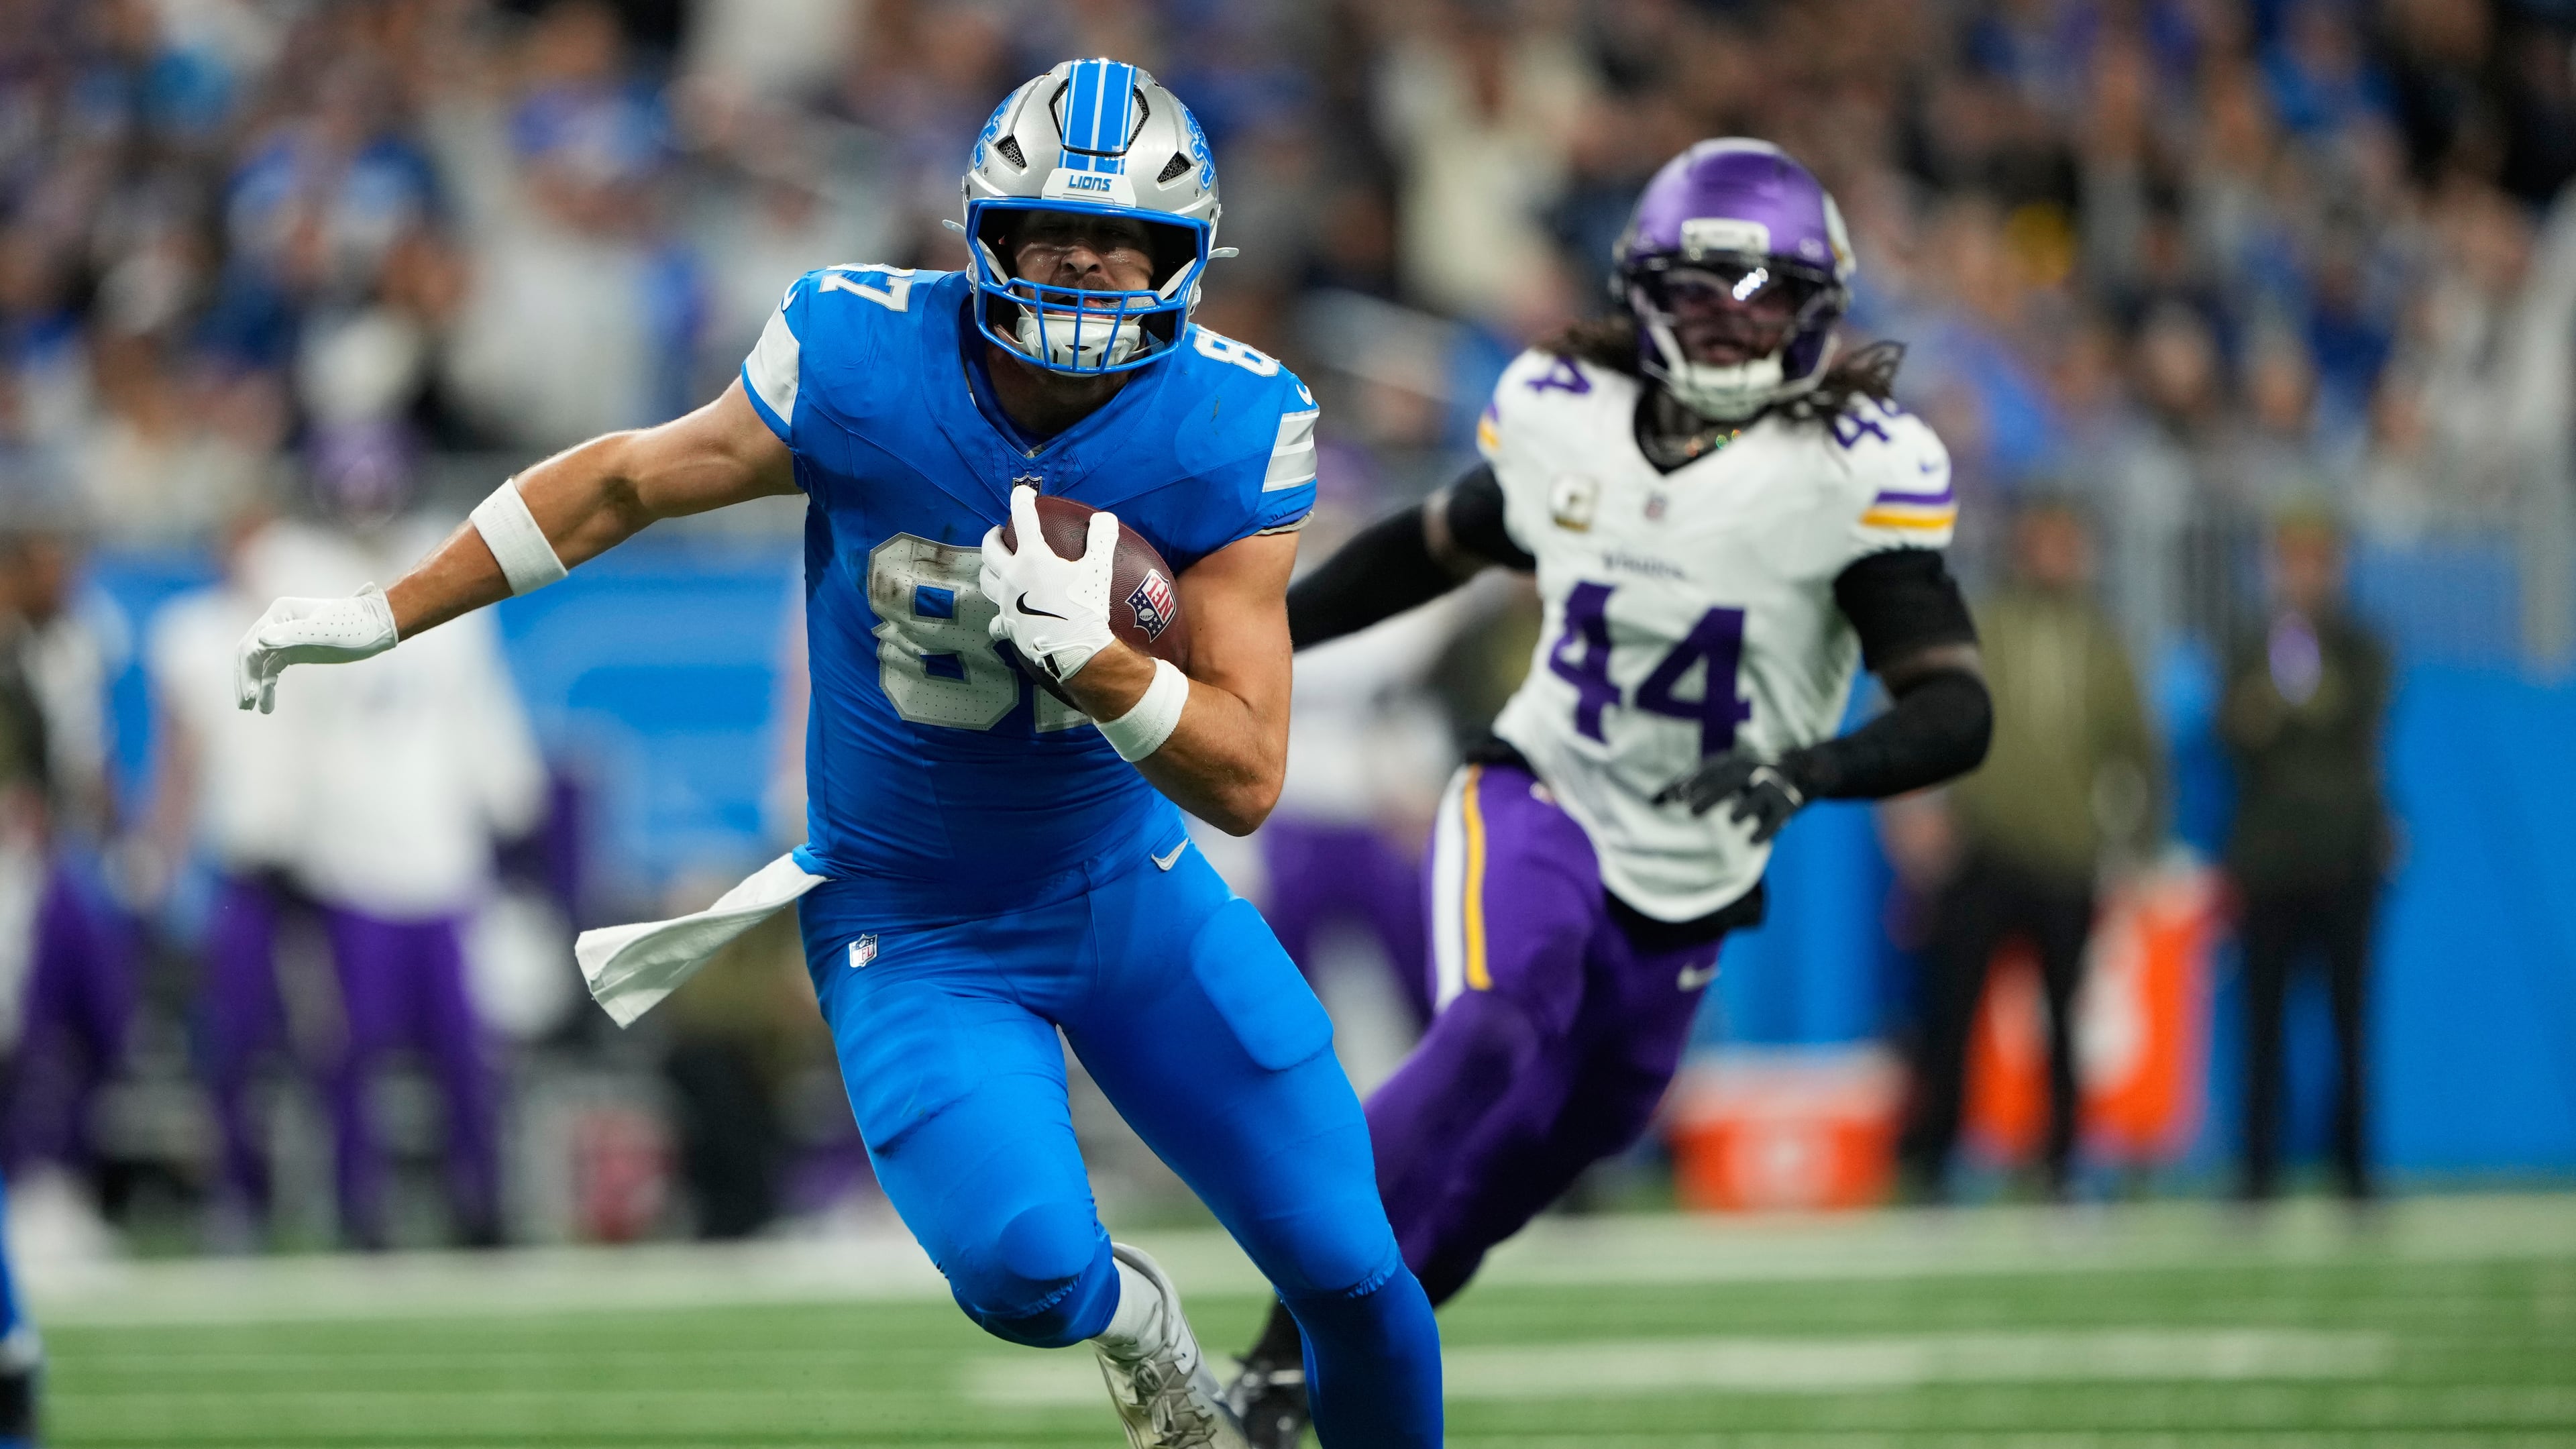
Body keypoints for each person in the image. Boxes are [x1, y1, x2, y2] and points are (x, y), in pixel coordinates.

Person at [235, 59, 1441, 1449]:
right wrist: (389, 610)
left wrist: (1101, 665)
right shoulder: (863, 356)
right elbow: (629, 479)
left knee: (1355, 1268)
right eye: (1055, 240)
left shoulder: (1228, 424)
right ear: (985, 240)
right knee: (1030, 1274)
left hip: (1129, 891)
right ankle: (1140, 1330)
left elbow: (1246, 773)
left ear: (1187, 262)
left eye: (1126, 248)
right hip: (912, 922)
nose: (1089, 278)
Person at [1227, 139, 1994, 1445]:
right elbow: (1437, 547)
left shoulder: (1847, 476)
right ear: (1646, 293)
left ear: (1820, 314)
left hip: (1694, 876)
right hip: (1543, 792)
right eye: (1706, 293)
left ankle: (1294, 1389)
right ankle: (1264, 1344)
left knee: (1524, 1170)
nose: (1737, 324)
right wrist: (1260, 639)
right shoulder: (1564, 413)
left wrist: (1816, 768)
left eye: (1769, 298)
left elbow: (1953, 704)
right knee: (1493, 1027)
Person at [1897, 496, 2161, 1203]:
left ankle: (2061, 1167)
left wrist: (2139, 849)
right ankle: (1935, 1166)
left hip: (2068, 858)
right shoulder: (1983, 625)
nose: (2053, 554)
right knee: (1950, 1017)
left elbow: (2138, 750)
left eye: (2065, 540)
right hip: (1980, 850)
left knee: (2064, 1025)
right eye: (2042, 539)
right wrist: (1912, 816)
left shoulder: (2101, 641)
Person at [2219, 509, 2390, 1208]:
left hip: (2344, 858)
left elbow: (2345, 713)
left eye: (2316, 559)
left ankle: (2355, 1171)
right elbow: (2237, 729)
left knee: (2350, 1027)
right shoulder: (2247, 642)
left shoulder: (2361, 644)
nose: (2305, 573)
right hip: (2268, 862)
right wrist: (2280, 701)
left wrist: (2284, 701)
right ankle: (2259, 1175)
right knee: (2262, 1030)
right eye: (2293, 558)